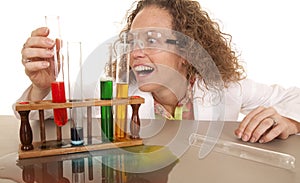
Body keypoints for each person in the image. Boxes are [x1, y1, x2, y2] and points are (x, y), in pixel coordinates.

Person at [17, 0, 300, 144]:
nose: (136, 52)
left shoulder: (225, 88)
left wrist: (290, 121)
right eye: (132, 41)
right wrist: (43, 86)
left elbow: (294, 98)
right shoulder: (112, 94)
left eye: (151, 40)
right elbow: (52, 124)